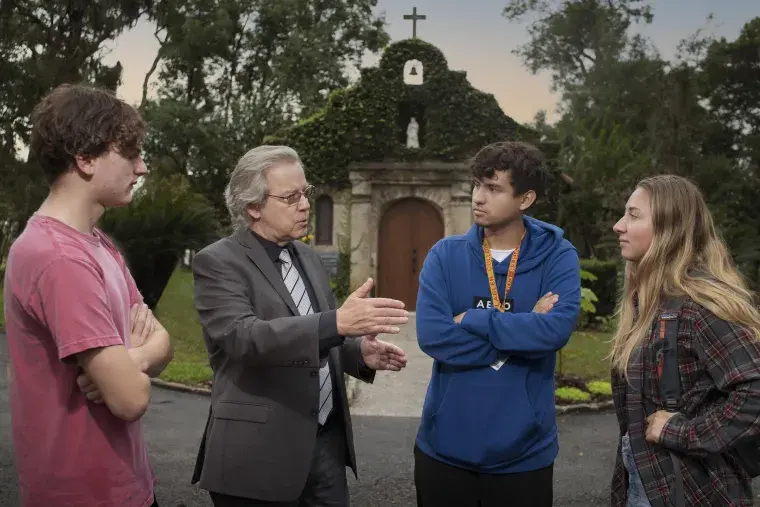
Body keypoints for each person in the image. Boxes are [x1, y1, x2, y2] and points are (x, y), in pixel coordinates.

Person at [190, 145, 410, 507]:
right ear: (253, 207)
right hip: (257, 458)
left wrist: (358, 354)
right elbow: (244, 338)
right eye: (291, 197)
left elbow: (318, 336)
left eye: (304, 193)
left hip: (324, 449)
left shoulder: (306, 256)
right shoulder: (218, 261)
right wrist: (338, 323)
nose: (306, 205)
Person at [3, 84, 173, 507]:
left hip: (126, 485)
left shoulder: (96, 245)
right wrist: (128, 372)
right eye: (130, 153)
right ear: (85, 158)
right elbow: (131, 399)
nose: (142, 167)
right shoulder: (59, 258)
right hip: (81, 494)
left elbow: (164, 342)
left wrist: (132, 360)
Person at [413, 140, 582, 507]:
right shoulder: (445, 256)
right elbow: (433, 337)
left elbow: (554, 331)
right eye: (477, 185)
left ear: (525, 199)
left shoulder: (558, 255)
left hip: (524, 457)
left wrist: (474, 318)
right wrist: (525, 327)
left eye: (493, 189)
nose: (478, 197)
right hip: (444, 451)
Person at [609, 174, 760, 506]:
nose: (619, 226)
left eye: (634, 215)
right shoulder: (648, 304)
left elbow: (755, 391)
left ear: (669, 229)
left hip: (695, 491)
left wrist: (681, 432)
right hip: (647, 486)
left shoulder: (698, 307)